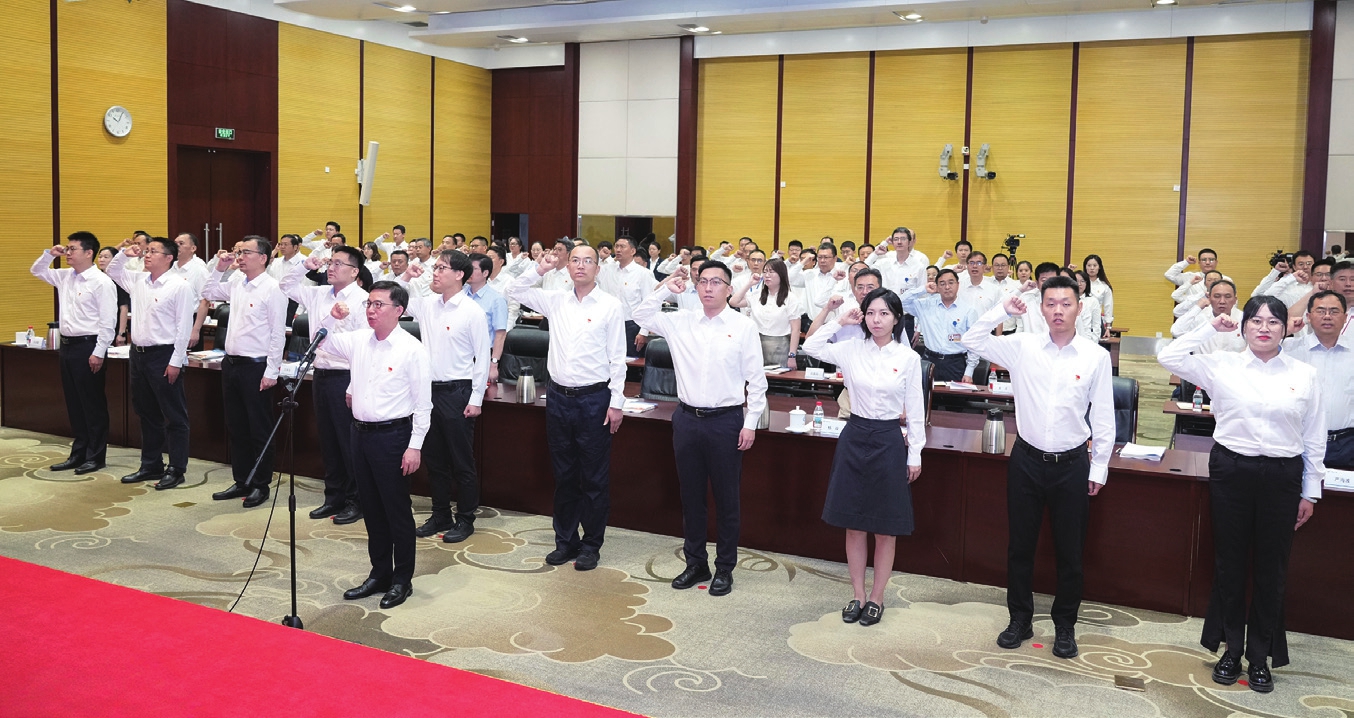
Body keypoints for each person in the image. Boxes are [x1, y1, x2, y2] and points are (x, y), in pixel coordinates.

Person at [1157, 295, 1324, 693]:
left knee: (1272, 567)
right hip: (1232, 470)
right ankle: (1231, 649)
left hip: (1282, 475)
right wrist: (1210, 326)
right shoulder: (1222, 364)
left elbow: (1314, 435)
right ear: (1244, 325)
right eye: (1256, 320)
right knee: (1229, 563)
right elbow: (1169, 355)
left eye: (1273, 321)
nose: (1264, 328)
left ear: (1286, 328)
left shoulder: (1305, 374)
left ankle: (1261, 656)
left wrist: (1310, 491)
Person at [962, 275, 1116, 660]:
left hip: (1072, 464)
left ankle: (1065, 625)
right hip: (1027, 461)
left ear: (1080, 308)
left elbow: (1104, 417)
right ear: (1041, 307)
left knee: (1070, 552)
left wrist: (1099, 467)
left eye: (1066, 303)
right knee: (1020, 547)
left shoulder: (1095, 356)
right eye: (1051, 304)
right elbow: (972, 339)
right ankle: (1020, 619)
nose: (1058, 311)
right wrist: (1003, 310)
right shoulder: (1023, 346)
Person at [633, 264, 767, 597]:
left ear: (728, 288)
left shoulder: (743, 326)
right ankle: (696, 563)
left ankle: (725, 568)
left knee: (726, 499)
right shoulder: (681, 321)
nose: (708, 287)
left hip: (726, 421)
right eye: (702, 281)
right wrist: (666, 288)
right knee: (691, 497)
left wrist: (750, 422)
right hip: (687, 420)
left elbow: (756, 380)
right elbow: (639, 314)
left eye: (716, 282)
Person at [801, 288, 925, 627]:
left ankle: (877, 597)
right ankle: (857, 594)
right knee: (854, 524)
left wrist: (915, 453)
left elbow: (916, 409)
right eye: (870, 313)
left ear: (896, 318)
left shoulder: (908, 358)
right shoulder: (852, 348)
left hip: (888, 439)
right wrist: (839, 321)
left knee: (885, 529)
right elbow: (810, 347)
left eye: (884, 313)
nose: (876, 320)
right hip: (854, 435)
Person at [508, 244, 627, 570]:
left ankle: (591, 545)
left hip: (594, 399)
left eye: (588, 261)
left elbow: (618, 358)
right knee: (564, 475)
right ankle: (566, 541)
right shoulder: (555, 300)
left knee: (594, 478)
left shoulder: (610, 306)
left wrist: (616, 402)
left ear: (598, 269)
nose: (581, 266)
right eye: (575, 260)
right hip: (558, 398)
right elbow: (513, 290)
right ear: (568, 266)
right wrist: (541, 268)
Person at [321, 281, 432, 610]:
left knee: (396, 511)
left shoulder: (412, 349)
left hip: (393, 437)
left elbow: (423, 404)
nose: (371, 310)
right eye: (368, 303)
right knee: (370, 508)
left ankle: (402, 580)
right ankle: (380, 573)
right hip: (359, 434)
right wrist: (331, 317)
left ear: (399, 310)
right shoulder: (359, 340)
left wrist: (415, 446)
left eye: (379, 305)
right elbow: (322, 341)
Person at [401, 251, 491, 543]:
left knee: (461, 461)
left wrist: (476, 398)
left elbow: (483, 357)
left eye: (442, 268)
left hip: (457, 391)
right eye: (435, 267)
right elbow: (394, 297)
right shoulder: (427, 304)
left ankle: (465, 518)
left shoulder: (472, 311)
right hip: (428, 392)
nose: (435, 273)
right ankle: (440, 514)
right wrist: (407, 275)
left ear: (459, 275)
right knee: (435, 459)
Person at [281, 246, 369, 525]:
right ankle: (334, 497)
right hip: (320, 373)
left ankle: (356, 501)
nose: (331, 267)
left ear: (354, 272)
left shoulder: (363, 300)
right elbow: (285, 285)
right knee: (328, 440)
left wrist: (355, 385)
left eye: (339, 263)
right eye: (330, 262)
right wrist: (304, 266)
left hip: (347, 376)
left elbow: (365, 347)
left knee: (347, 441)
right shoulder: (318, 293)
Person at [201, 237, 289, 508]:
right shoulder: (238, 283)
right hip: (232, 364)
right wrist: (220, 266)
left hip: (256, 366)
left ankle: (260, 484)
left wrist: (271, 371)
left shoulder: (273, 288)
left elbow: (278, 334)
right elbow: (208, 290)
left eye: (245, 252)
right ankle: (242, 480)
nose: (239, 256)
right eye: (238, 252)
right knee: (236, 426)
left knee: (259, 428)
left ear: (263, 258)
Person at [107, 237, 198, 490]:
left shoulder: (179, 286)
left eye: (153, 251)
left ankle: (177, 468)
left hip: (164, 354)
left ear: (169, 258)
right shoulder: (139, 281)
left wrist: (176, 361)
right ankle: (151, 464)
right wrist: (124, 254)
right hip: (138, 354)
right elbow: (112, 270)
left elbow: (183, 327)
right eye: (146, 251)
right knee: (146, 412)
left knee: (174, 415)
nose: (147, 255)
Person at [31, 232, 117, 475]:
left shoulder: (101, 282)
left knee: (92, 403)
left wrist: (99, 352)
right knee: (74, 403)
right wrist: (50, 254)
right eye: (67, 249)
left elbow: (108, 322)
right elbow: (36, 271)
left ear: (89, 253)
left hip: (89, 346)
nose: (67, 253)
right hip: (67, 346)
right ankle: (78, 453)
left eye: (72, 249)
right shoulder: (65, 276)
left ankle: (96, 456)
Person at [1284, 291, 1354, 469]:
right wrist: (1286, 331)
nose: (1327, 316)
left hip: (1346, 444)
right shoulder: (1289, 350)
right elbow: (1251, 356)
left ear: (1345, 318)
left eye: (1334, 311)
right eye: (1321, 311)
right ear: (1308, 317)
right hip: (1298, 440)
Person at [900, 269, 979, 382]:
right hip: (929, 361)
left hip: (955, 364)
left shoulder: (969, 311)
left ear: (958, 284)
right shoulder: (926, 305)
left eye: (951, 282)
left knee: (955, 394)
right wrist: (923, 289)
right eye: (942, 283)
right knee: (925, 393)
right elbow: (900, 302)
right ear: (937, 286)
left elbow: (974, 343)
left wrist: (969, 372)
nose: (947, 287)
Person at [729, 258, 802, 367]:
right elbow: (733, 302)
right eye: (765, 271)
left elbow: (795, 329)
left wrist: (792, 355)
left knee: (777, 376)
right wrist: (749, 284)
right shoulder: (757, 294)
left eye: (771, 272)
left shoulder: (790, 298)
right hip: (756, 344)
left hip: (780, 346)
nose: (767, 275)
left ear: (781, 274)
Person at [597, 236, 657, 357]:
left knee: (631, 362)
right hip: (608, 324)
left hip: (632, 326)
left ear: (632, 251)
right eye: (616, 246)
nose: (618, 250)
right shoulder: (607, 270)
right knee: (607, 360)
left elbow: (649, 303)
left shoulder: (643, 273)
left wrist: (644, 332)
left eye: (622, 247)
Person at [1169, 280, 1244, 352]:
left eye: (1227, 296)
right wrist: (1197, 307)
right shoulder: (1200, 316)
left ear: (1235, 300)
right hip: (1203, 360)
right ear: (1209, 298)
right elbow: (1176, 331)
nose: (1222, 301)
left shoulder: (1244, 319)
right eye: (1217, 296)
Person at [97, 246, 131, 346]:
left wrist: (121, 333)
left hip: (113, 327)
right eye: (100, 256)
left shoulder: (119, 280)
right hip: (95, 327)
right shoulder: (95, 278)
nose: (102, 259)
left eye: (106, 257)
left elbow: (124, 307)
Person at [1082, 254, 1114, 331]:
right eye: (1089, 265)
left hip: (1096, 322)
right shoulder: (1080, 284)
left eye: (1094, 265)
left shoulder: (1104, 287)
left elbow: (1108, 307)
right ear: (1085, 267)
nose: (1092, 268)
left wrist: (1108, 327)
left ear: (1099, 267)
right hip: (1081, 320)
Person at [1071, 270, 1103, 342]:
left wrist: (1094, 341)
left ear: (1087, 283)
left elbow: (1096, 325)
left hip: (1087, 339)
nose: (1079, 284)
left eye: (1082, 281)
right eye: (1076, 281)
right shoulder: (1067, 300)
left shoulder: (1093, 301)